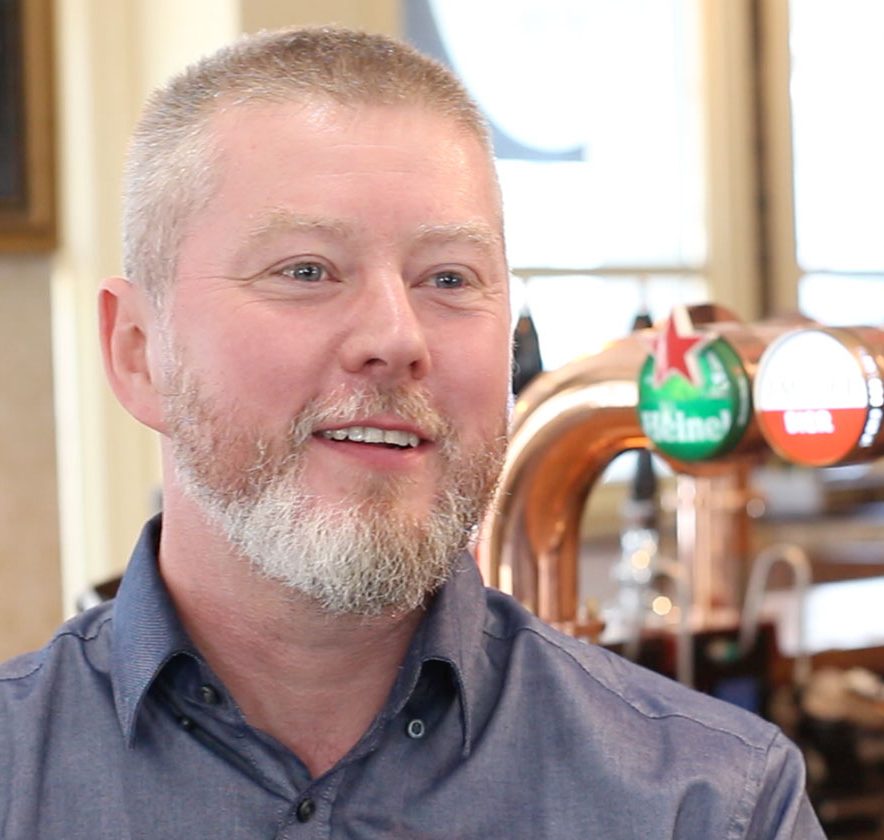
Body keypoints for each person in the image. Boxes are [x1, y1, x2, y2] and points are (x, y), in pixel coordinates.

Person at [0, 26, 823, 838]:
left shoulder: (712, 803)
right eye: (307, 271)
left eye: (449, 278)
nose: (397, 338)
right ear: (139, 354)